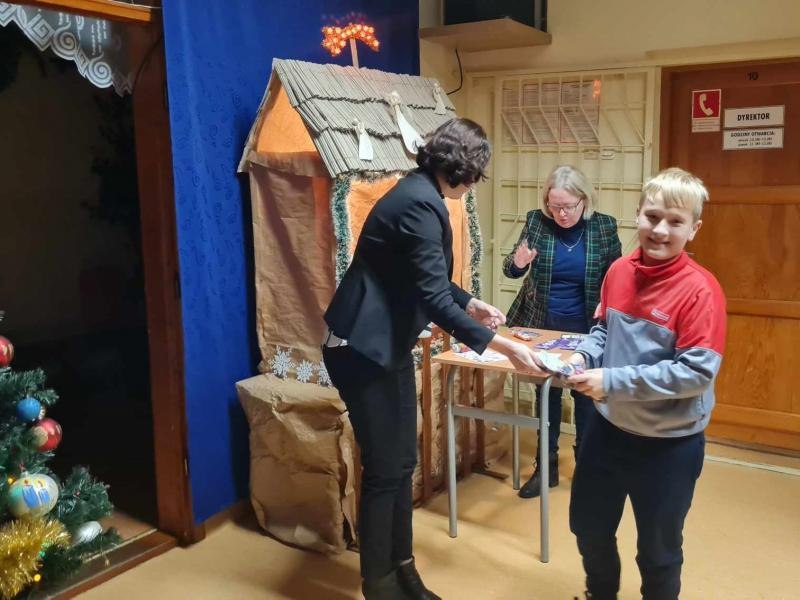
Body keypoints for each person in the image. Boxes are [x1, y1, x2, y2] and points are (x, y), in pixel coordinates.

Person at [322, 118, 540, 600]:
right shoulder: (419, 201)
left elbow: (428, 280)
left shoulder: (420, 193)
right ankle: (379, 584)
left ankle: (403, 569)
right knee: (385, 469)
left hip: (386, 343)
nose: (475, 184)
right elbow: (432, 296)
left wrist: (470, 302)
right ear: (462, 167)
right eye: (476, 174)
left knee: (401, 462)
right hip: (360, 346)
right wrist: (505, 346)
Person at [564, 167, 727, 600]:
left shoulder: (701, 291)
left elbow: (696, 372)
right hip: (608, 429)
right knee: (588, 527)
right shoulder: (619, 271)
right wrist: (582, 356)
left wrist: (611, 381)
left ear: (694, 228)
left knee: (658, 552)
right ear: (637, 214)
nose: (660, 230)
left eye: (675, 221)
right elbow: (603, 330)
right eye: (652, 217)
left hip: (669, 444)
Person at [502, 165, 621, 498]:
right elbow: (510, 269)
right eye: (554, 206)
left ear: (584, 200)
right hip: (542, 326)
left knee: (584, 397)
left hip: (586, 328)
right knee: (546, 396)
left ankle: (586, 470)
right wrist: (519, 263)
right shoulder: (536, 223)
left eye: (568, 206)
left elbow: (617, 277)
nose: (562, 214)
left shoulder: (603, 227)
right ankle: (546, 468)